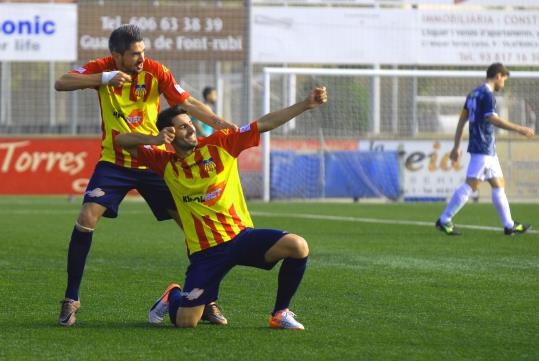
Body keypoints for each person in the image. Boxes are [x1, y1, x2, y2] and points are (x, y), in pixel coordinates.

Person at [54, 24, 236, 326]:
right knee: (87, 218)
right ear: (117, 56)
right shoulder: (103, 68)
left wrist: (224, 126)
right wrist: (102, 79)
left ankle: (205, 297)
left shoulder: (155, 71)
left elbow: (186, 103)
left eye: (143, 52)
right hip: (114, 162)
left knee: (192, 226)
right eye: (135, 54)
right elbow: (62, 82)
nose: (141, 58)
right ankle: (71, 299)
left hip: (152, 160)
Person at [116, 86, 328, 329]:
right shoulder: (163, 162)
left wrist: (305, 104)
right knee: (186, 323)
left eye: (190, 123)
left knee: (298, 246)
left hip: (239, 237)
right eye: (183, 126)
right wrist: (153, 140)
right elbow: (120, 140)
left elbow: (263, 124)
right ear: (170, 134)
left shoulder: (220, 144)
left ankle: (280, 313)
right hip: (205, 254)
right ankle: (173, 295)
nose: (191, 127)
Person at [435, 63, 534, 236]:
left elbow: (462, 121)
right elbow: (492, 119)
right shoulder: (488, 95)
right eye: (504, 79)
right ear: (498, 76)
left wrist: (456, 146)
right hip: (483, 147)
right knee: (471, 185)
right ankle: (444, 220)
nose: (504, 83)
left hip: (485, 148)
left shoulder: (473, 94)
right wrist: (520, 129)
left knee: (498, 183)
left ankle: (509, 225)